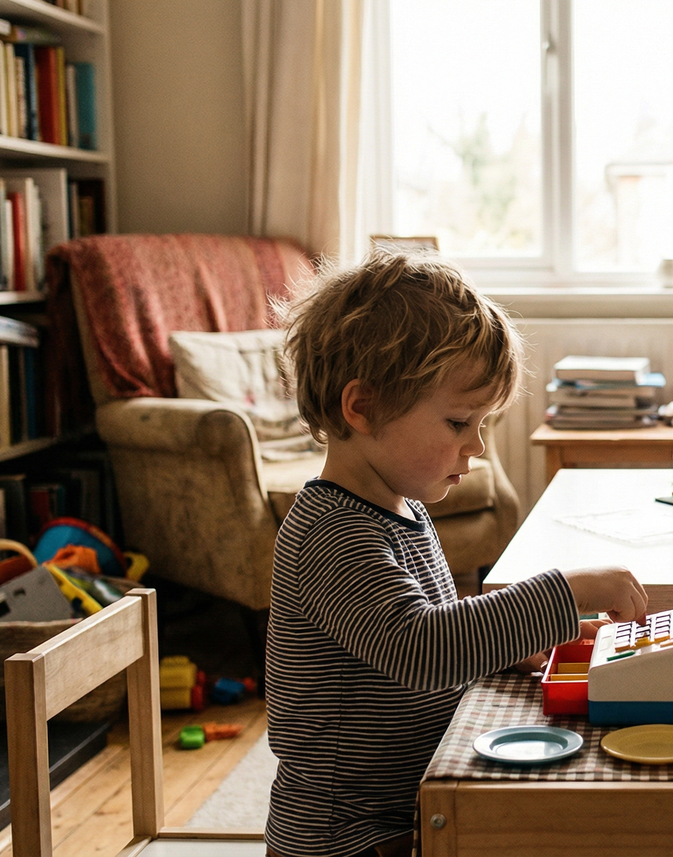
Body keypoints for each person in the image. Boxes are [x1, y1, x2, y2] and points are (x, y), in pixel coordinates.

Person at [264, 250, 647, 857]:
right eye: (458, 422)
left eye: (482, 424)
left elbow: (433, 628)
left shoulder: (401, 509)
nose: (476, 446)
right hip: (348, 836)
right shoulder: (329, 533)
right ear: (361, 408)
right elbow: (421, 648)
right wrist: (564, 591)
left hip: (403, 807)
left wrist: (508, 645)